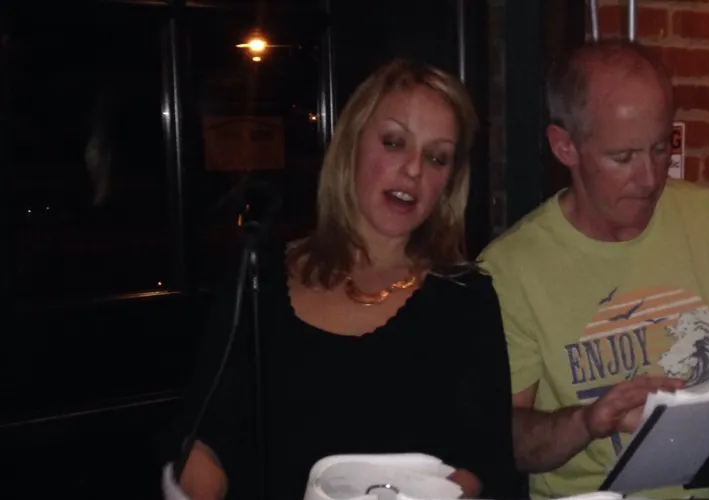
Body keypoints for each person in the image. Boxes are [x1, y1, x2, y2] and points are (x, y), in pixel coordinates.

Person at [171, 59, 522, 500]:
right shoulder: (260, 275)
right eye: (394, 142)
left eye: (437, 157)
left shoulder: (465, 297)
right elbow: (206, 437)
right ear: (352, 144)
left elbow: (486, 461)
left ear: (449, 182)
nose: (414, 169)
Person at [478, 40, 709, 499]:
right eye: (623, 158)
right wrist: (588, 421)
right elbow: (509, 443)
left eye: (659, 148)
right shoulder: (509, 267)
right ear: (565, 147)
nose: (651, 178)